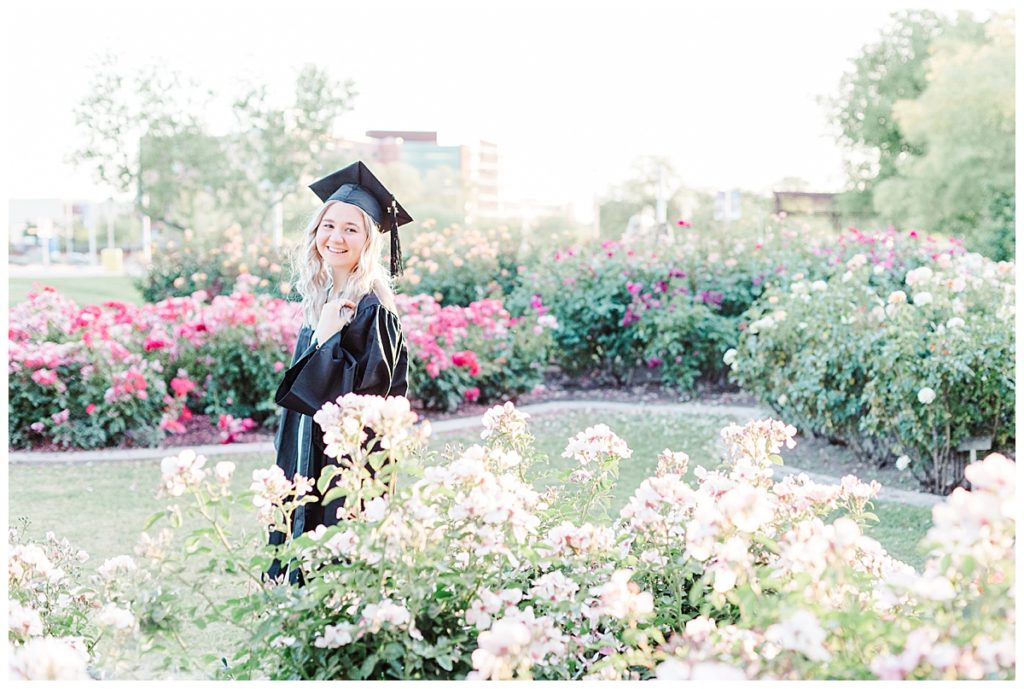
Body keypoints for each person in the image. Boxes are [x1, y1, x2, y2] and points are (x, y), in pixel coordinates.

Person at [265, 161, 413, 585]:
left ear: (369, 239)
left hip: (342, 468)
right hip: (303, 454)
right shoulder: (326, 296)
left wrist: (328, 341)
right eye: (329, 225)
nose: (336, 237)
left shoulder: (373, 310)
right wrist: (323, 335)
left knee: (335, 569)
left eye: (351, 228)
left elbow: (366, 404)